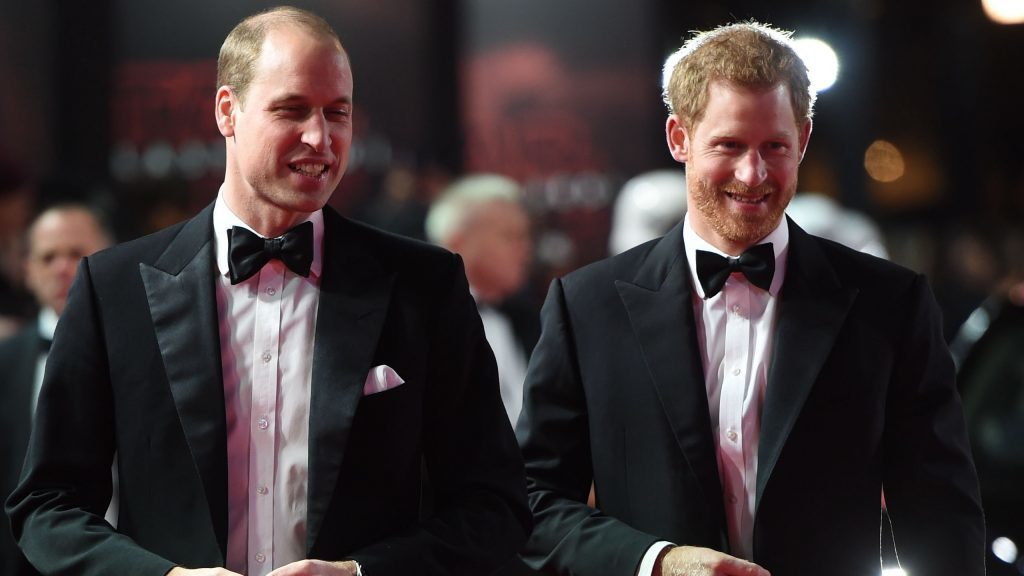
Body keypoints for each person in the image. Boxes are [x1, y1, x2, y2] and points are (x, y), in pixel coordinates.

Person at [7, 7, 530, 576]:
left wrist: (362, 574)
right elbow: (47, 505)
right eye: (292, 109)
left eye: (338, 113)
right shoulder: (114, 290)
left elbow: (496, 506)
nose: (320, 138)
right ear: (227, 111)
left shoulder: (424, 287)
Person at [515, 21, 984, 576]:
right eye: (729, 145)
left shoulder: (891, 304)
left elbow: (941, 514)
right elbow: (530, 502)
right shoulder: (586, 306)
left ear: (804, 141)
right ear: (679, 138)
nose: (753, 173)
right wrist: (655, 562)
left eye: (775, 147)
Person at [0, 204, 112, 576]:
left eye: (76, 254)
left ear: (111, 258)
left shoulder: (142, 350)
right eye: (48, 257)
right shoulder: (5, 361)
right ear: (28, 270)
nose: (62, 268)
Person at [425, 173, 536, 425]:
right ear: (457, 243)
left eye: (525, 236)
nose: (526, 248)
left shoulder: (532, 319)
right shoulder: (422, 324)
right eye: (510, 236)